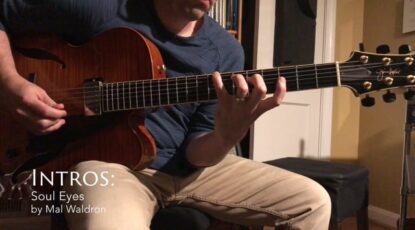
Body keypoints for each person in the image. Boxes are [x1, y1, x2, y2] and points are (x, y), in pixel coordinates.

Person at [0, 0, 331, 229]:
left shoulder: (226, 51)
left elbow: (197, 152)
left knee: (313, 201)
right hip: (111, 165)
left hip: (189, 170)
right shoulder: (102, 8)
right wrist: (12, 84)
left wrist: (227, 135)